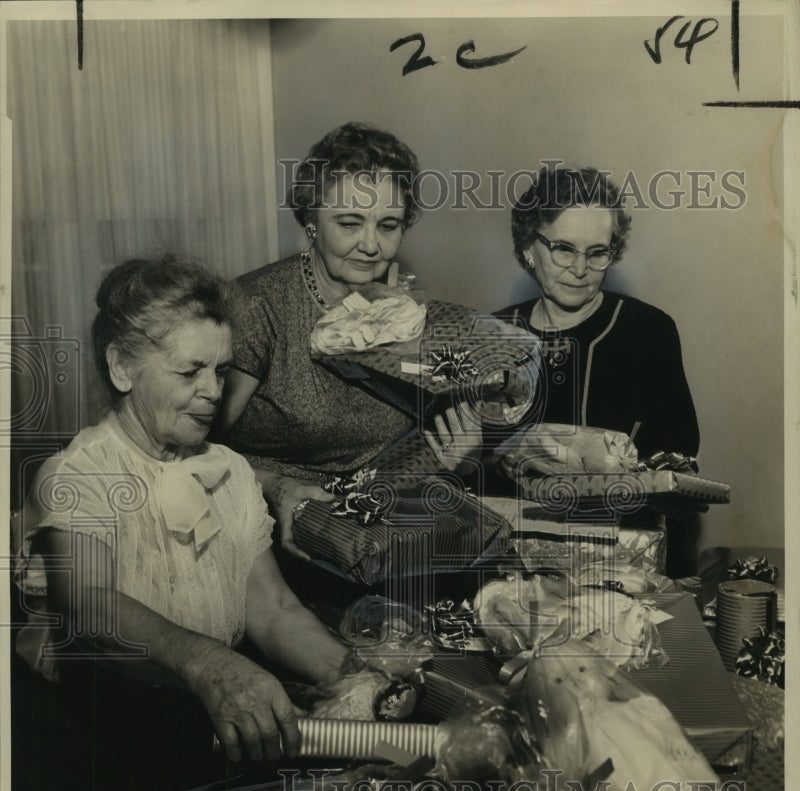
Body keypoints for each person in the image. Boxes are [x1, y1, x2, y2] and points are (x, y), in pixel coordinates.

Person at [12, 253, 354, 791]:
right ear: (123, 366)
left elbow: (272, 607)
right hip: (101, 760)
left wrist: (354, 678)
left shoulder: (228, 473)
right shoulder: (78, 476)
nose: (212, 392)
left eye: (222, 370)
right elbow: (91, 606)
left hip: (204, 742)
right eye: (189, 371)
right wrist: (210, 664)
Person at [220, 122, 481, 562]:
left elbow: (432, 454)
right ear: (310, 221)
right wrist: (275, 488)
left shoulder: (407, 311)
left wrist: (463, 457)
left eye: (388, 225)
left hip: (383, 532)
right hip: (272, 537)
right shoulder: (257, 307)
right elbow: (183, 452)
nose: (371, 245)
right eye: (349, 222)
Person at [495, 164, 699, 460]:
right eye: (563, 248)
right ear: (528, 245)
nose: (580, 270)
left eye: (597, 252)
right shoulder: (493, 332)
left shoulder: (648, 331)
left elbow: (678, 456)